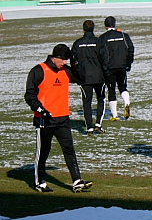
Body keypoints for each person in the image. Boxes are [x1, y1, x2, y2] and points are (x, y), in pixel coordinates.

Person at [25, 44, 93, 193]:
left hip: (63, 118)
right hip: (45, 120)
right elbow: (29, 94)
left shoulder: (66, 71)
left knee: (69, 149)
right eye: (63, 60)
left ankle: (76, 181)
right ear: (54, 57)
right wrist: (40, 109)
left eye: (67, 60)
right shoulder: (39, 70)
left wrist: (74, 63)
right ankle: (39, 182)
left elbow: (81, 77)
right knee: (43, 151)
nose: (64, 63)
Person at [71, 19, 110, 135]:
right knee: (101, 99)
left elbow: (73, 62)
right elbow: (105, 60)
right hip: (99, 77)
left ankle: (89, 127)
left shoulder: (77, 43)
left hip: (84, 78)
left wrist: (78, 75)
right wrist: (106, 74)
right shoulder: (99, 42)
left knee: (86, 102)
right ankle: (98, 123)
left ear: (83, 29)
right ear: (93, 29)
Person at [99, 16, 134, 121]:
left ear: (105, 26)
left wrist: (103, 67)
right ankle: (126, 103)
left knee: (111, 90)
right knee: (123, 87)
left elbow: (101, 54)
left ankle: (114, 115)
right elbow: (131, 49)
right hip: (122, 66)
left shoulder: (102, 38)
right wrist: (128, 63)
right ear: (114, 24)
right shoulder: (123, 36)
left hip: (109, 68)